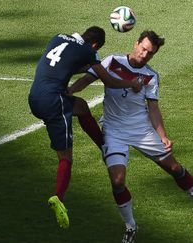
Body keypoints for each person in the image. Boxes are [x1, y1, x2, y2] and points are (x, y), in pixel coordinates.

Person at [69, 30, 193, 243]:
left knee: (174, 168)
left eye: (150, 53)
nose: (144, 55)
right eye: (143, 49)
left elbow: (153, 109)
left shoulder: (151, 76)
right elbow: (86, 80)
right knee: (117, 181)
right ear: (136, 44)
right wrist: (68, 93)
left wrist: (163, 136)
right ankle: (131, 226)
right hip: (114, 130)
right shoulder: (111, 61)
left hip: (141, 130)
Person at [28, 26, 142, 229]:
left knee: (80, 106)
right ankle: (58, 198)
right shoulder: (89, 52)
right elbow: (107, 80)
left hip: (35, 96)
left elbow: (65, 63)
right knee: (65, 157)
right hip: (54, 102)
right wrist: (130, 83)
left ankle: (103, 145)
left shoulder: (58, 37)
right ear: (96, 45)